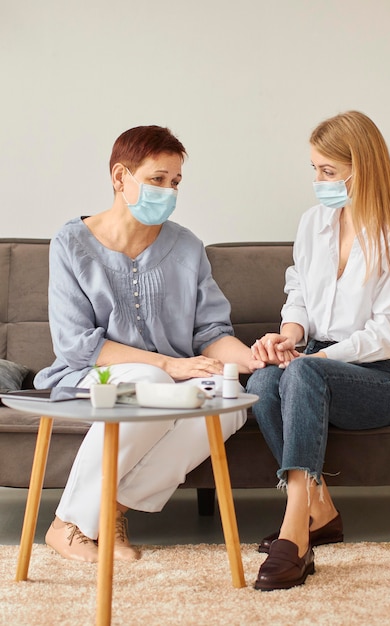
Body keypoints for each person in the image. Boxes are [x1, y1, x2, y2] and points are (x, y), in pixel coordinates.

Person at [34, 125, 264, 563]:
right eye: (158, 179)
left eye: (175, 182)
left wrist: (251, 360)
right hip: (92, 380)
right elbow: (77, 345)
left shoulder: (187, 247)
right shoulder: (70, 243)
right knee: (147, 379)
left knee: (229, 402)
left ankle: (107, 512)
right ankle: (67, 523)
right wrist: (168, 365)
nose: (169, 191)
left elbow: (211, 333)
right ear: (121, 177)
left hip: (172, 380)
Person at [247, 110, 390, 591]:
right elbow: (300, 295)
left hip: (382, 377)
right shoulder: (315, 223)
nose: (318, 181)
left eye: (327, 171)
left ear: (363, 169)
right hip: (316, 360)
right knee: (264, 378)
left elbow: (388, 336)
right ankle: (321, 512)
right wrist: (289, 336)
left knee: (301, 375)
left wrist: (315, 360)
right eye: (314, 169)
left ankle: (296, 535)